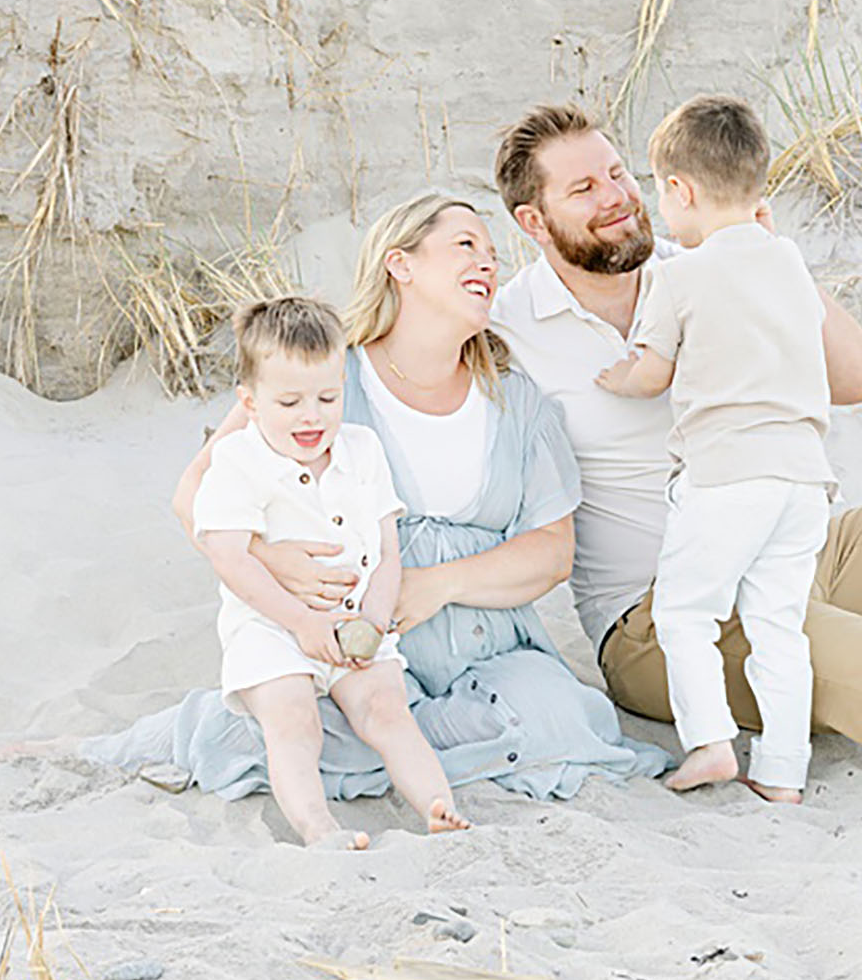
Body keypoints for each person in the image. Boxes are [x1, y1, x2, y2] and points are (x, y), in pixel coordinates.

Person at [490, 101, 862, 804]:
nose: (617, 197)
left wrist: (777, 262)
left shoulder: (709, 258)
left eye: (618, 173)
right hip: (659, 619)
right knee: (844, 649)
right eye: (583, 189)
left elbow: (858, 379)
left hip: (785, 551)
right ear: (533, 221)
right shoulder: (509, 328)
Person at [78, 193, 668, 811]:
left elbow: (551, 554)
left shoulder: (518, 401)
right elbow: (193, 494)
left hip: (492, 650)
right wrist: (270, 557)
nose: (489, 264)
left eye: (494, 255)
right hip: (360, 653)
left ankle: (394, 749)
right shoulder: (327, 383)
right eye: (465, 245)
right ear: (400, 264)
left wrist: (435, 585)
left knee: (558, 718)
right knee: (314, 721)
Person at [594, 96, 833, 802]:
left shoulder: (679, 274)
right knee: (778, 627)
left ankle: (710, 743)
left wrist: (619, 374)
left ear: (681, 190)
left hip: (727, 474)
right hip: (803, 478)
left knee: (684, 613)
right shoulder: (788, 260)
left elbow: (654, 372)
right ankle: (784, 773)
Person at [193, 295, 465, 848]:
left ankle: (439, 809)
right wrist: (299, 622)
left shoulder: (362, 450)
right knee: (293, 718)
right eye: (289, 402)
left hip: (355, 622)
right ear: (249, 401)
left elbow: (387, 551)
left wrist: (375, 614)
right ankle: (318, 828)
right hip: (273, 627)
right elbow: (228, 554)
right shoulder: (238, 461)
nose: (312, 416)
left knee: (388, 709)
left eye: (328, 397)